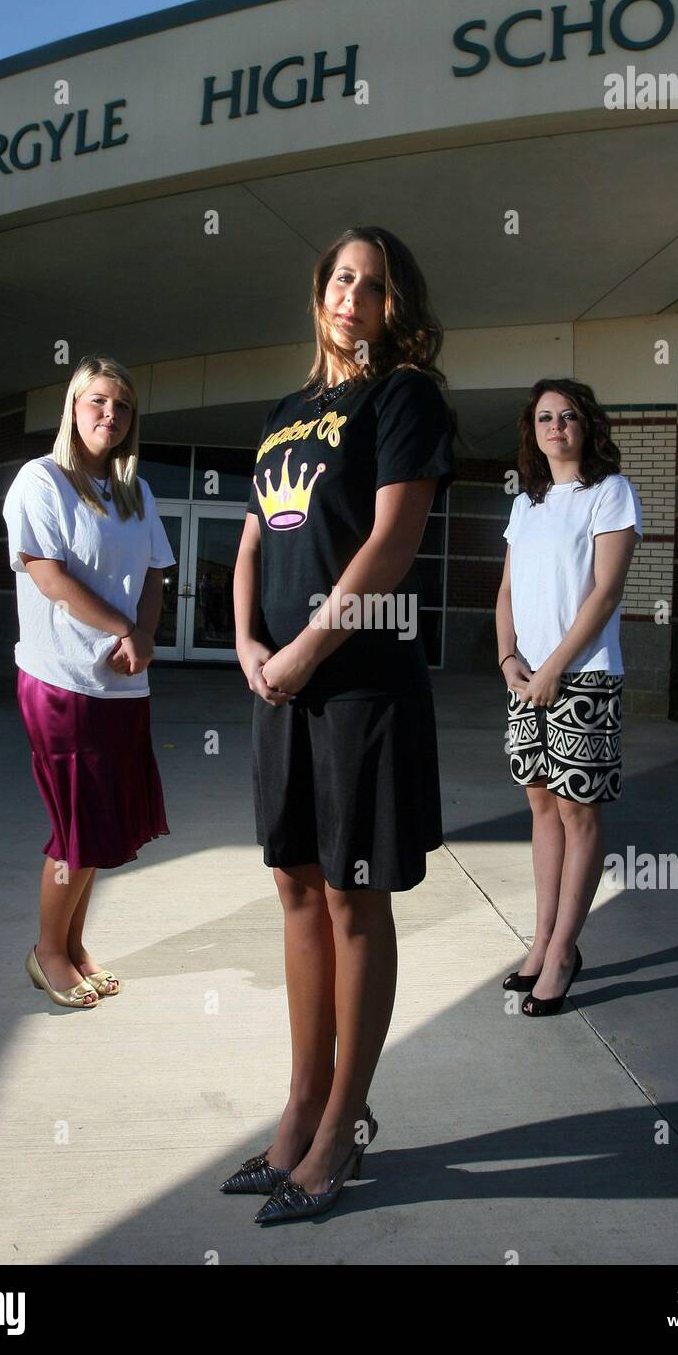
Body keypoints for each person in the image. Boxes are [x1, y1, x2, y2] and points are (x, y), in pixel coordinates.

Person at [224, 226, 455, 1223]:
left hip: (359, 682)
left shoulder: (404, 397)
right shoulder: (285, 415)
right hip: (279, 684)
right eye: (341, 278)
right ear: (321, 293)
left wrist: (308, 650)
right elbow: (251, 540)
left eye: (376, 283)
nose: (353, 295)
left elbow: (392, 542)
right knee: (295, 884)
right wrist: (246, 644)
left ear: (398, 305)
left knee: (353, 896)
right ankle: (301, 1108)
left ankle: (341, 1127)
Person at [2, 354, 175, 1009]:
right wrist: (123, 629)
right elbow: (48, 575)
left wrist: (145, 635)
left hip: (124, 686)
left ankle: (74, 946)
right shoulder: (41, 480)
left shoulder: (136, 492)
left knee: (100, 824)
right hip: (61, 680)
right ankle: (48, 952)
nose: (111, 413)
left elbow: (156, 571)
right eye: (98, 400)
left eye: (123, 405)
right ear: (73, 408)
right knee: (77, 823)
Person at [495, 377, 642, 1017]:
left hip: (585, 676)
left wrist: (555, 667)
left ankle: (562, 953)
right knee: (541, 805)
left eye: (569, 416)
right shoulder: (525, 504)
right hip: (526, 678)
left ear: (588, 426)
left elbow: (605, 593)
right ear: (532, 431)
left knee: (577, 811)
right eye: (545, 418)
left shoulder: (609, 492)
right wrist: (508, 659)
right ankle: (540, 941)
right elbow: (506, 592)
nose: (556, 427)